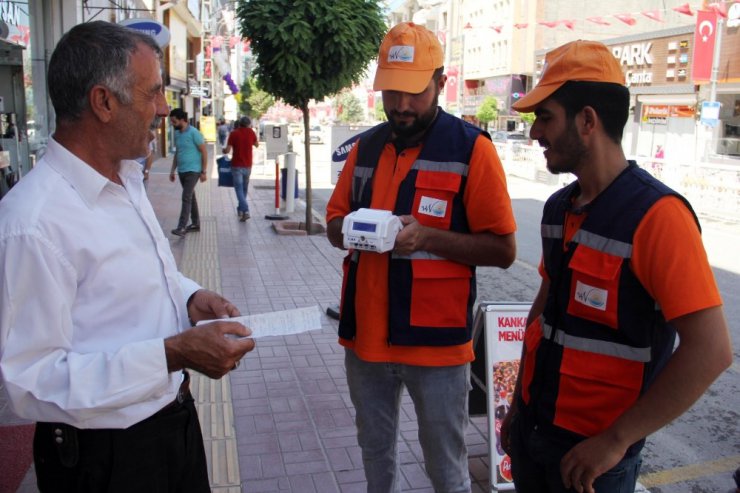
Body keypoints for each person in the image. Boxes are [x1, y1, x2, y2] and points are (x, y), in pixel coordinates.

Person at [0, 21, 256, 492]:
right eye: (152, 93)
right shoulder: (32, 224)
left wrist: (190, 296)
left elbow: (133, 279)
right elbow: (29, 381)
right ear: (103, 102)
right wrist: (171, 354)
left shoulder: (127, 178)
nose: (162, 109)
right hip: (104, 457)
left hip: (172, 423)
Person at [500, 40, 732, 493]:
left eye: (544, 118)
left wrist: (615, 441)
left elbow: (711, 351)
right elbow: (544, 312)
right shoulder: (557, 209)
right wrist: (515, 402)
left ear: (587, 121)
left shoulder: (659, 217)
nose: (533, 134)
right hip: (533, 433)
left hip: (593, 463)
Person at [325, 22, 517, 493]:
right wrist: (358, 230)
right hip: (365, 341)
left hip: (437, 348)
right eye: (392, 91)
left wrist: (428, 237)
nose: (402, 105)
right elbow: (333, 224)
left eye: (413, 91)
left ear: (440, 84)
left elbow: (504, 250)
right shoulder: (366, 147)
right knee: (375, 455)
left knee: (445, 469)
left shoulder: (472, 150)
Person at [169, 108, 207, 236]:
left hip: (193, 170)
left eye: (174, 122)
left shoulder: (194, 133)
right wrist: (172, 170)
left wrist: (204, 171)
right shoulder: (178, 134)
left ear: (182, 120)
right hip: (182, 171)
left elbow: (204, 152)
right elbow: (177, 153)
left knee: (186, 197)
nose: (172, 124)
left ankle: (181, 227)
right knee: (191, 197)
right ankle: (195, 223)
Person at [222, 115, 258, 221]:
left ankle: (245, 210)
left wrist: (223, 151)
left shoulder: (234, 134)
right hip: (248, 165)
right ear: (248, 124)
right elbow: (257, 145)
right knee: (244, 189)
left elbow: (227, 150)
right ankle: (241, 209)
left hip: (236, 165)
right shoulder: (251, 132)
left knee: (239, 189)